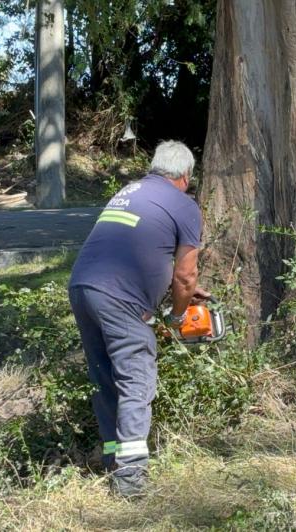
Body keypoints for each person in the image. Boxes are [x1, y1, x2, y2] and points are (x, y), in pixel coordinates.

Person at [68, 140, 209, 497]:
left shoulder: (130, 190)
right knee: (136, 379)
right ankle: (130, 482)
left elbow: (140, 248)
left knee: (105, 377)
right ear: (185, 176)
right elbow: (185, 276)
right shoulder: (185, 204)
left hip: (83, 288)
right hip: (119, 298)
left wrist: (176, 293)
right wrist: (177, 315)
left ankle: (112, 458)